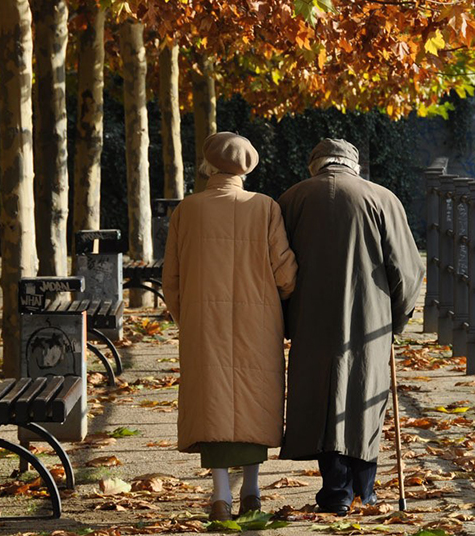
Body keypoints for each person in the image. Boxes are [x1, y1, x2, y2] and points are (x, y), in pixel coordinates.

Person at [278, 138, 424, 516]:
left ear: (316, 164)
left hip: (310, 316)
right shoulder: (382, 198)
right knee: (364, 396)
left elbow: (278, 266)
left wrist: (284, 315)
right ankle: (365, 489)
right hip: (370, 314)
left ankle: (335, 490)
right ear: (352, 164)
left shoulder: (292, 198)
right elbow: (406, 271)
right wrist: (398, 317)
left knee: (322, 398)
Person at [162, 132, 298, 522]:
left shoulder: (187, 210)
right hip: (259, 321)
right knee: (255, 399)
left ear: (208, 166)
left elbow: (171, 278)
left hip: (205, 324)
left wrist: (186, 318)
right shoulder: (265, 207)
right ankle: (252, 489)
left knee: (213, 402)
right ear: (247, 167)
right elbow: (285, 272)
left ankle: (221, 494)